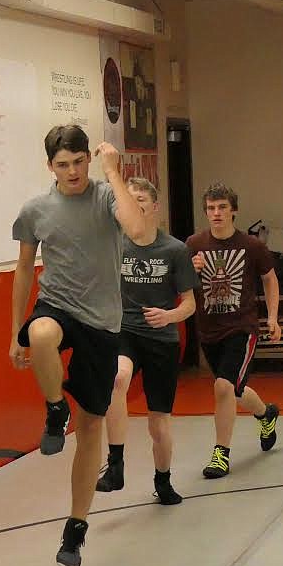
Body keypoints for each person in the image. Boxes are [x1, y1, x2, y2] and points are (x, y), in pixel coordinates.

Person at [9, 125, 144, 566]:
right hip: (58, 304)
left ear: (88, 159)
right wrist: (15, 331)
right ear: (50, 166)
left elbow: (139, 228)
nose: (71, 171)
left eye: (78, 162)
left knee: (92, 427)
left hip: (103, 323)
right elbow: (25, 270)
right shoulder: (36, 210)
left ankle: (76, 527)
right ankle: (53, 409)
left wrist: (113, 171)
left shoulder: (107, 198)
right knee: (40, 334)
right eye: (62, 164)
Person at [95, 177, 198, 504]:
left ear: (154, 207)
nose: (134, 206)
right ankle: (115, 464)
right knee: (117, 380)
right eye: (129, 200)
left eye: (141, 200)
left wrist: (169, 316)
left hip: (162, 339)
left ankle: (163, 480)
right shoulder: (115, 244)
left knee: (159, 424)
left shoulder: (175, 250)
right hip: (124, 330)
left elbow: (190, 304)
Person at [186, 183, 281, 480]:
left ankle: (220, 455)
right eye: (211, 208)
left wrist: (273, 318)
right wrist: (192, 270)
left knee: (224, 387)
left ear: (234, 211)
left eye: (222, 207)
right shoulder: (194, 244)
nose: (216, 213)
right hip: (209, 329)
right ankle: (266, 415)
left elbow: (270, 279)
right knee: (234, 389)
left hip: (242, 328)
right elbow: (181, 284)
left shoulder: (252, 246)